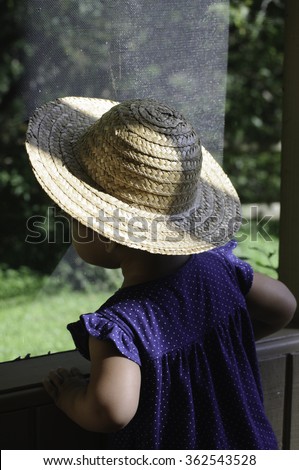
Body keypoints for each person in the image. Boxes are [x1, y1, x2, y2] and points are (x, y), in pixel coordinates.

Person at [26, 97, 296, 449]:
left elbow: (110, 410)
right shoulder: (220, 269)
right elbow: (283, 306)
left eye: (72, 216)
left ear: (106, 234)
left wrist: (71, 396)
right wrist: (221, 344)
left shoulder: (121, 326)